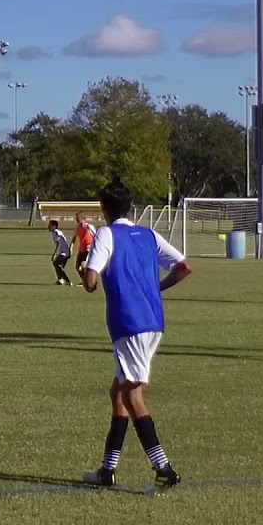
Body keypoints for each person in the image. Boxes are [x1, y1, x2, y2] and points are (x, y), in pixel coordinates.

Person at [81, 179, 192, 489]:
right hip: (153, 320)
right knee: (118, 392)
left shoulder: (106, 233)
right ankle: (107, 470)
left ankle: (163, 467)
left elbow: (90, 280)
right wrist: (156, 288)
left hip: (128, 323)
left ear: (104, 209)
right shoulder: (148, 234)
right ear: (129, 206)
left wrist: (87, 276)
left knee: (132, 397)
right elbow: (184, 267)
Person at [48, 219, 73, 286]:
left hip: (65, 253)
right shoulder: (57, 232)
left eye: (49, 225)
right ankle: (60, 280)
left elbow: (58, 244)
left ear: (54, 226)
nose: (48, 227)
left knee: (56, 264)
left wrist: (54, 255)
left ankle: (67, 280)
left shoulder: (55, 232)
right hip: (65, 252)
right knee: (57, 265)